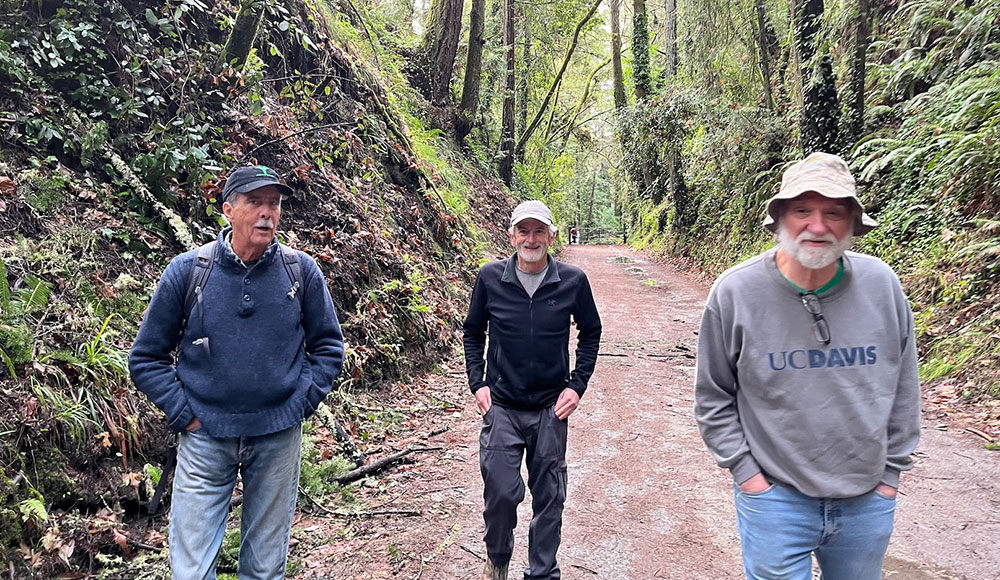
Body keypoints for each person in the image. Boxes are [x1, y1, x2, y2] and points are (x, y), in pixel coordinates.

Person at [694, 152, 921, 580]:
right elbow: (713, 397)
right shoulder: (735, 293)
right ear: (780, 217)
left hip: (867, 500)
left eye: (833, 212)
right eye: (802, 210)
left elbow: (904, 388)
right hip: (776, 501)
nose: (817, 226)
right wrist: (749, 478)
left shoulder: (882, 286)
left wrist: (890, 477)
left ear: (852, 222)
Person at [129, 165, 345, 580]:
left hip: (277, 437)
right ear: (228, 210)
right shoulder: (188, 272)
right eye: (255, 202)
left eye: (274, 204)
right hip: (204, 436)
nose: (267, 213)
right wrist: (185, 413)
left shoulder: (300, 272)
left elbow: (329, 346)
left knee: (264, 568)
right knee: (190, 570)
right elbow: (146, 358)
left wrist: (300, 402)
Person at [463, 200, 602, 580]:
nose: (531, 238)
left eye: (539, 231)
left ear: (552, 237)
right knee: (501, 493)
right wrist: (478, 383)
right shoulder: (490, 278)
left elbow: (591, 332)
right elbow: (473, 332)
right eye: (523, 231)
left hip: (549, 409)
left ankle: (542, 572)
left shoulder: (572, 281)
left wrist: (577, 386)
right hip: (503, 406)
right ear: (511, 236)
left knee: (550, 498)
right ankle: (498, 559)